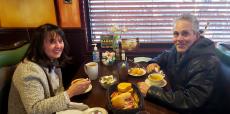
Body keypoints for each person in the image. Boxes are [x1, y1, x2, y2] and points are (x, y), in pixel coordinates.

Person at [137, 14, 222, 114]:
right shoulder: (182, 48)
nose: (179, 39)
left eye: (185, 34)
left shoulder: (207, 62)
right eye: (176, 34)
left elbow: (191, 101)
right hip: (174, 96)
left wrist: (151, 91)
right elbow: (166, 55)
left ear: (197, 35)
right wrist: (154, 62)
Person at [8, 24, 91, 114]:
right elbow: (34, 110)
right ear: (39, 45)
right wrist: (70, 92)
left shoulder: (52, 60)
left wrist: (71, 93)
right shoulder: (28, 71)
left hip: (53, 110)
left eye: (60, 41)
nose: (58, 46)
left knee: (88, 109)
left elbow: (58, 91)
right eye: (52, 42)